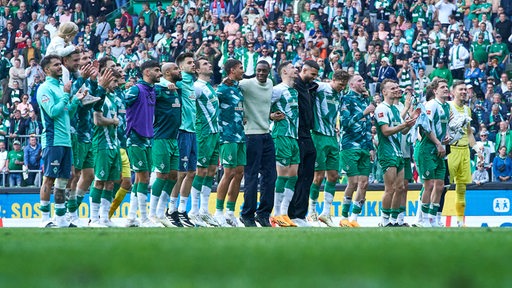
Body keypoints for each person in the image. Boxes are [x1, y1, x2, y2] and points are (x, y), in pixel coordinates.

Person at [37, 55, 84, 228]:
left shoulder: (59, 87)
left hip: (66, 141)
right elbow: (53, 112)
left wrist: (76, 101)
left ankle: (61, 218)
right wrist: (66, 95)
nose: (60, 67)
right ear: (47, 70)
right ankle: (44, 218)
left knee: (65, 179)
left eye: (60, 64)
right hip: (52, 140)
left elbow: (66, 114)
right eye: (56, 65)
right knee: (49, 178)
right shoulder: (44, 89)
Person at [307, 70, 349, 227]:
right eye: (340, 84)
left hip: (332, 137)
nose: (342, 88)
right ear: (333, 79)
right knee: (318, 176)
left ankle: (326, 213)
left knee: (333, 176)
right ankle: (311, 211)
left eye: (344, 86)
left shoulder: (340, 95)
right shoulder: (320, 87)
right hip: (318, 136)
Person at [125, 60, 162, 227]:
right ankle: (143, 218)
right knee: (144, 178)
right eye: (156, 70)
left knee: (141, 179)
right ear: (147, 73)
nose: (159, 73)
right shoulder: (135, 90)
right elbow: (121, 102)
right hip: (135, 138)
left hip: (148, 138)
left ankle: (132, 217)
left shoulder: (152, 90)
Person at [239, 61, 277, 227]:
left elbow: (264, 105)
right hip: (251, 135)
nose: (261, 73)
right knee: (252, 176)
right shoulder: (246, 84)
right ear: (255, 71)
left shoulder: (270, 84)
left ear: (269, 72)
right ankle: (247, 214)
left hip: (266, 134)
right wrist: (239, 114)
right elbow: (229, 89)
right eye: (258, 71)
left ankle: (263, 214)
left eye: (264, 71)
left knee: (271, 176)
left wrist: (270, 116)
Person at [375, 79, 416, 227]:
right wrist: (404, 125)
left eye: (397, 87)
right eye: (392, 88)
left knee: (400, 188)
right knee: (390, 188)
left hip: (398, 152)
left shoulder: (395, 109)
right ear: (384, 92)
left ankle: (394, 220)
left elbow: (403, 131)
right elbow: (385, 131)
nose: (396, 90)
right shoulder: (381, 108)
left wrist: (410, 123)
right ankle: (384, 220)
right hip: (387, 152)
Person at [149, 62, 185, 227]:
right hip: (160, 138)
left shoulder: (176, 90)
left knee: (173, 176)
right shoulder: (161, 89)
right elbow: (149, 92)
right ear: (168, 72)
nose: (180, 71)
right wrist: (163, 86)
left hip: (173, 138)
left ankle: (161, 213)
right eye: (177, 68)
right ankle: (151, 214)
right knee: (161, 175)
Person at [339, 74, 375, 227]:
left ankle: (354, 218)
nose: (363, 82)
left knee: (364, 183)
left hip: (364, 147)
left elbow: (367, 126)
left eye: (363, 80)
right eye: (359, 80)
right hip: (350, 146)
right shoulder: (346, 99)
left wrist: (371, 147)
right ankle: (343, 217)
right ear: (352, 84)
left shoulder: (365, 100)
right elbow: (345, 123)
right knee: (352, 182)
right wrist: (364, 113)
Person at [414, 78, 450, 227]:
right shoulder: (430, 105)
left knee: (440, 185)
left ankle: (433, 219)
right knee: (428, 185)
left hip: (440, 149)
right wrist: (437, 143)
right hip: (428, 149)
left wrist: (446, 138)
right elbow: (425, 127)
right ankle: (423, 220)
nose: (446, 89)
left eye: (447, 86)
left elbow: (444, 127)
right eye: (442, 87)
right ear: (435, 91)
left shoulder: (447, 106)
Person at [189, 57, 220, 227]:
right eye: (205, 64)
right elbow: (189, 101)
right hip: (203, 134)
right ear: (198, 70)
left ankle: (204, 211)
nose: (209, 65)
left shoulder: (209, 87)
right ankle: (193, 212)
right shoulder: (197, 87)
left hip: (215, 133)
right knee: (200, 171)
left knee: (211, 171)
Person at [214, 59, 245, 227]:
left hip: (240, 135)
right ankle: (218, 212)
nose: (243, 70)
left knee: (239, 172)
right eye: (240, 68)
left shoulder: (237, 88)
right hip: (227, 136)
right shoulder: (222, 89)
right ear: (232, 70)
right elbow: (211, 103)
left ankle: (230, 213)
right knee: (229, 173)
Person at [448, 80, 483, 227]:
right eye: (460, 89)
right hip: (451, 150)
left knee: (461, 188)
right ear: (453, 92)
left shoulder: (468, 110)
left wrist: (476, 149)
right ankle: (430, 218)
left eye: (465, 90)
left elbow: (469, 133)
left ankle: (460, 221)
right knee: (440, 186)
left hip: (464, 151)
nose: (463, 92)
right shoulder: (448, 107)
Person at [288, 59, 319, 227]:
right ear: (304, 70)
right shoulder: (293, 85)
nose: (314, 78)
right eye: (312, 74)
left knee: (307, 176)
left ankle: (300, 214)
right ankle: (290, 213)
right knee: (296, 176)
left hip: (307, 135)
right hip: (295, 135)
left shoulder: (311, 87)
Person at [269, 61, 300, 228]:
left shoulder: (293, 91)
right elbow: (262, 106)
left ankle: (284, 213)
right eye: (293, 68)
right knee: (282, 175)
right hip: (281, 135)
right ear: (285, 72)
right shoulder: (277, 90)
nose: (296, 69)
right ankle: (276, 214)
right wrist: (270, 116)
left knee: (293, 175)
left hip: (293, 137)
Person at [88, 68, 120, 227]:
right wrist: (113, 122)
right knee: (99, 181)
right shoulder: (100, 98)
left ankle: (105, 218)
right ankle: (93, 219)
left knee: (111, 183)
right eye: (114, 81)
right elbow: (97, 120)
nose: (116, 84)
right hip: (101, 145)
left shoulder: (113, 98)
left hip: (113, 145)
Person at [169, 52, 197, 227]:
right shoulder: (179, 81)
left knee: (191, 173)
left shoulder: (191, 82)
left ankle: (182, 210)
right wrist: (167, 83)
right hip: (183, 130)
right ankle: (171, 210)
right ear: (180, 67)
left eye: (194, 62)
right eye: (189, 62)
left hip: (193, 131)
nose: (193, 64)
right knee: (181, 173)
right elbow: (164, 80)